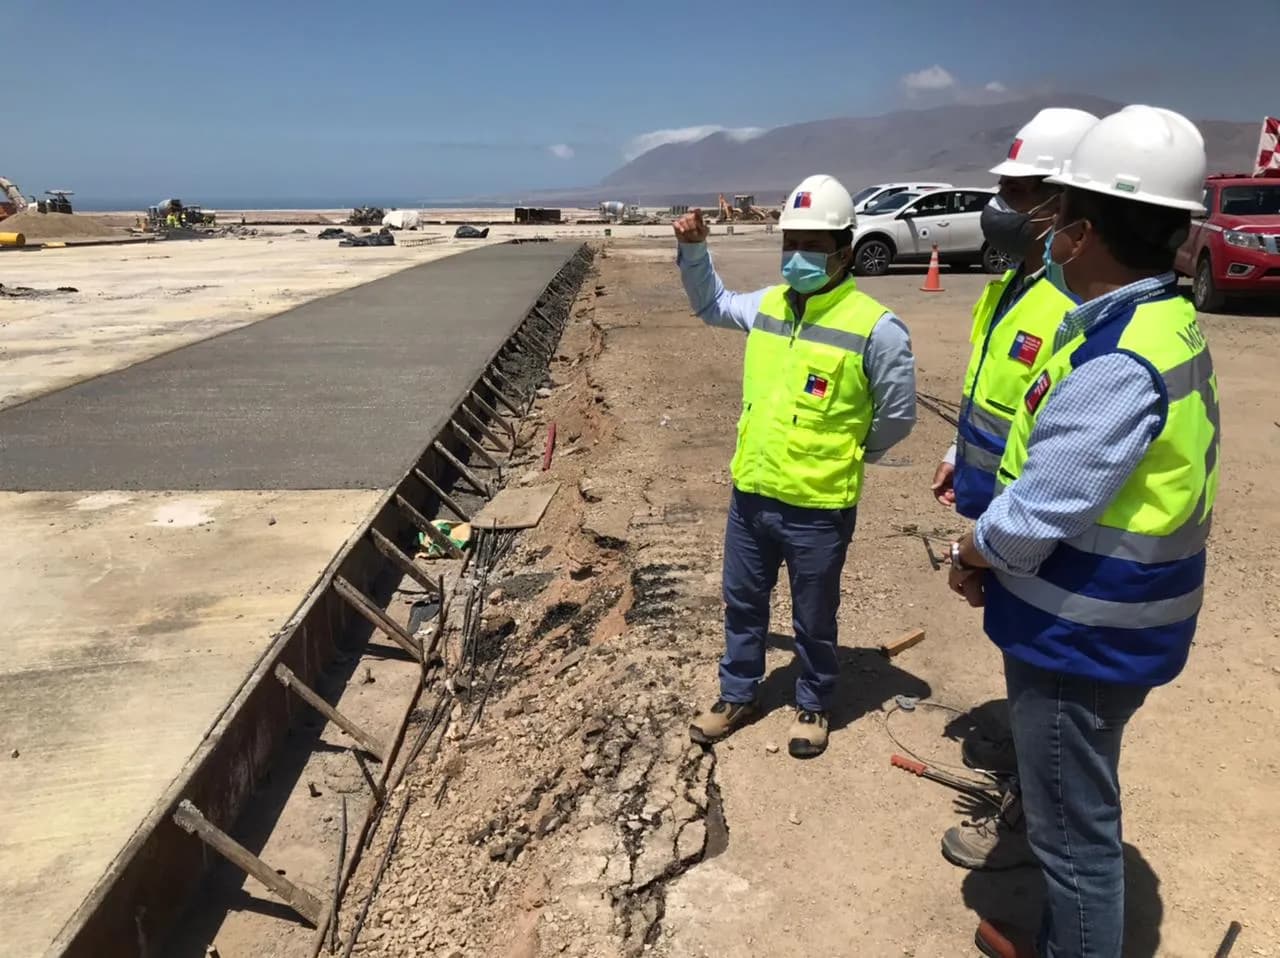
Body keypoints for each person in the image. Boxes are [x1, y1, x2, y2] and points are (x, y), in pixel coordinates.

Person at [945, 105, 1219, 958]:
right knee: (1076, 819)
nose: (1048, 229)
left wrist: (970, 549)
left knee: (1072, 842)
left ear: (1085, 233)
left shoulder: (1118, 362)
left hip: (1082, 634)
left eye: (1059, 214)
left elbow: (1038, 515)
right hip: (1106, 622)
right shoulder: (1153, 325)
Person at [674, 174, 916, 758]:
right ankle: (738, 693)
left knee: (814, 615)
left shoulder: (876, 329)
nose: (798, 256)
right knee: (743, 603)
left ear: (845, 250)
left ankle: (813, 701)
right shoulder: (767, 306)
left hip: (818, 508)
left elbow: (898, 415)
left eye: (812, 244)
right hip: (752, 495)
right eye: (791, 243)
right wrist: (693, 251)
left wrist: (848, 452)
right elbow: (710, 305)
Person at [933, 108, 1100, 874]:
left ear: (1067, 208)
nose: (1000, 206)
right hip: (995, 510)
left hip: (1034, 530)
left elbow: (1056, 462)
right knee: (1021, 664)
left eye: (1020, 190)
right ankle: (1034, 779)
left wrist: (986, 549)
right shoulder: (1012, 288)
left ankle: (1033, 818)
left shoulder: (1077, 316)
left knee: (1051, 684)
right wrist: (952, 451)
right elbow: (991, 397)